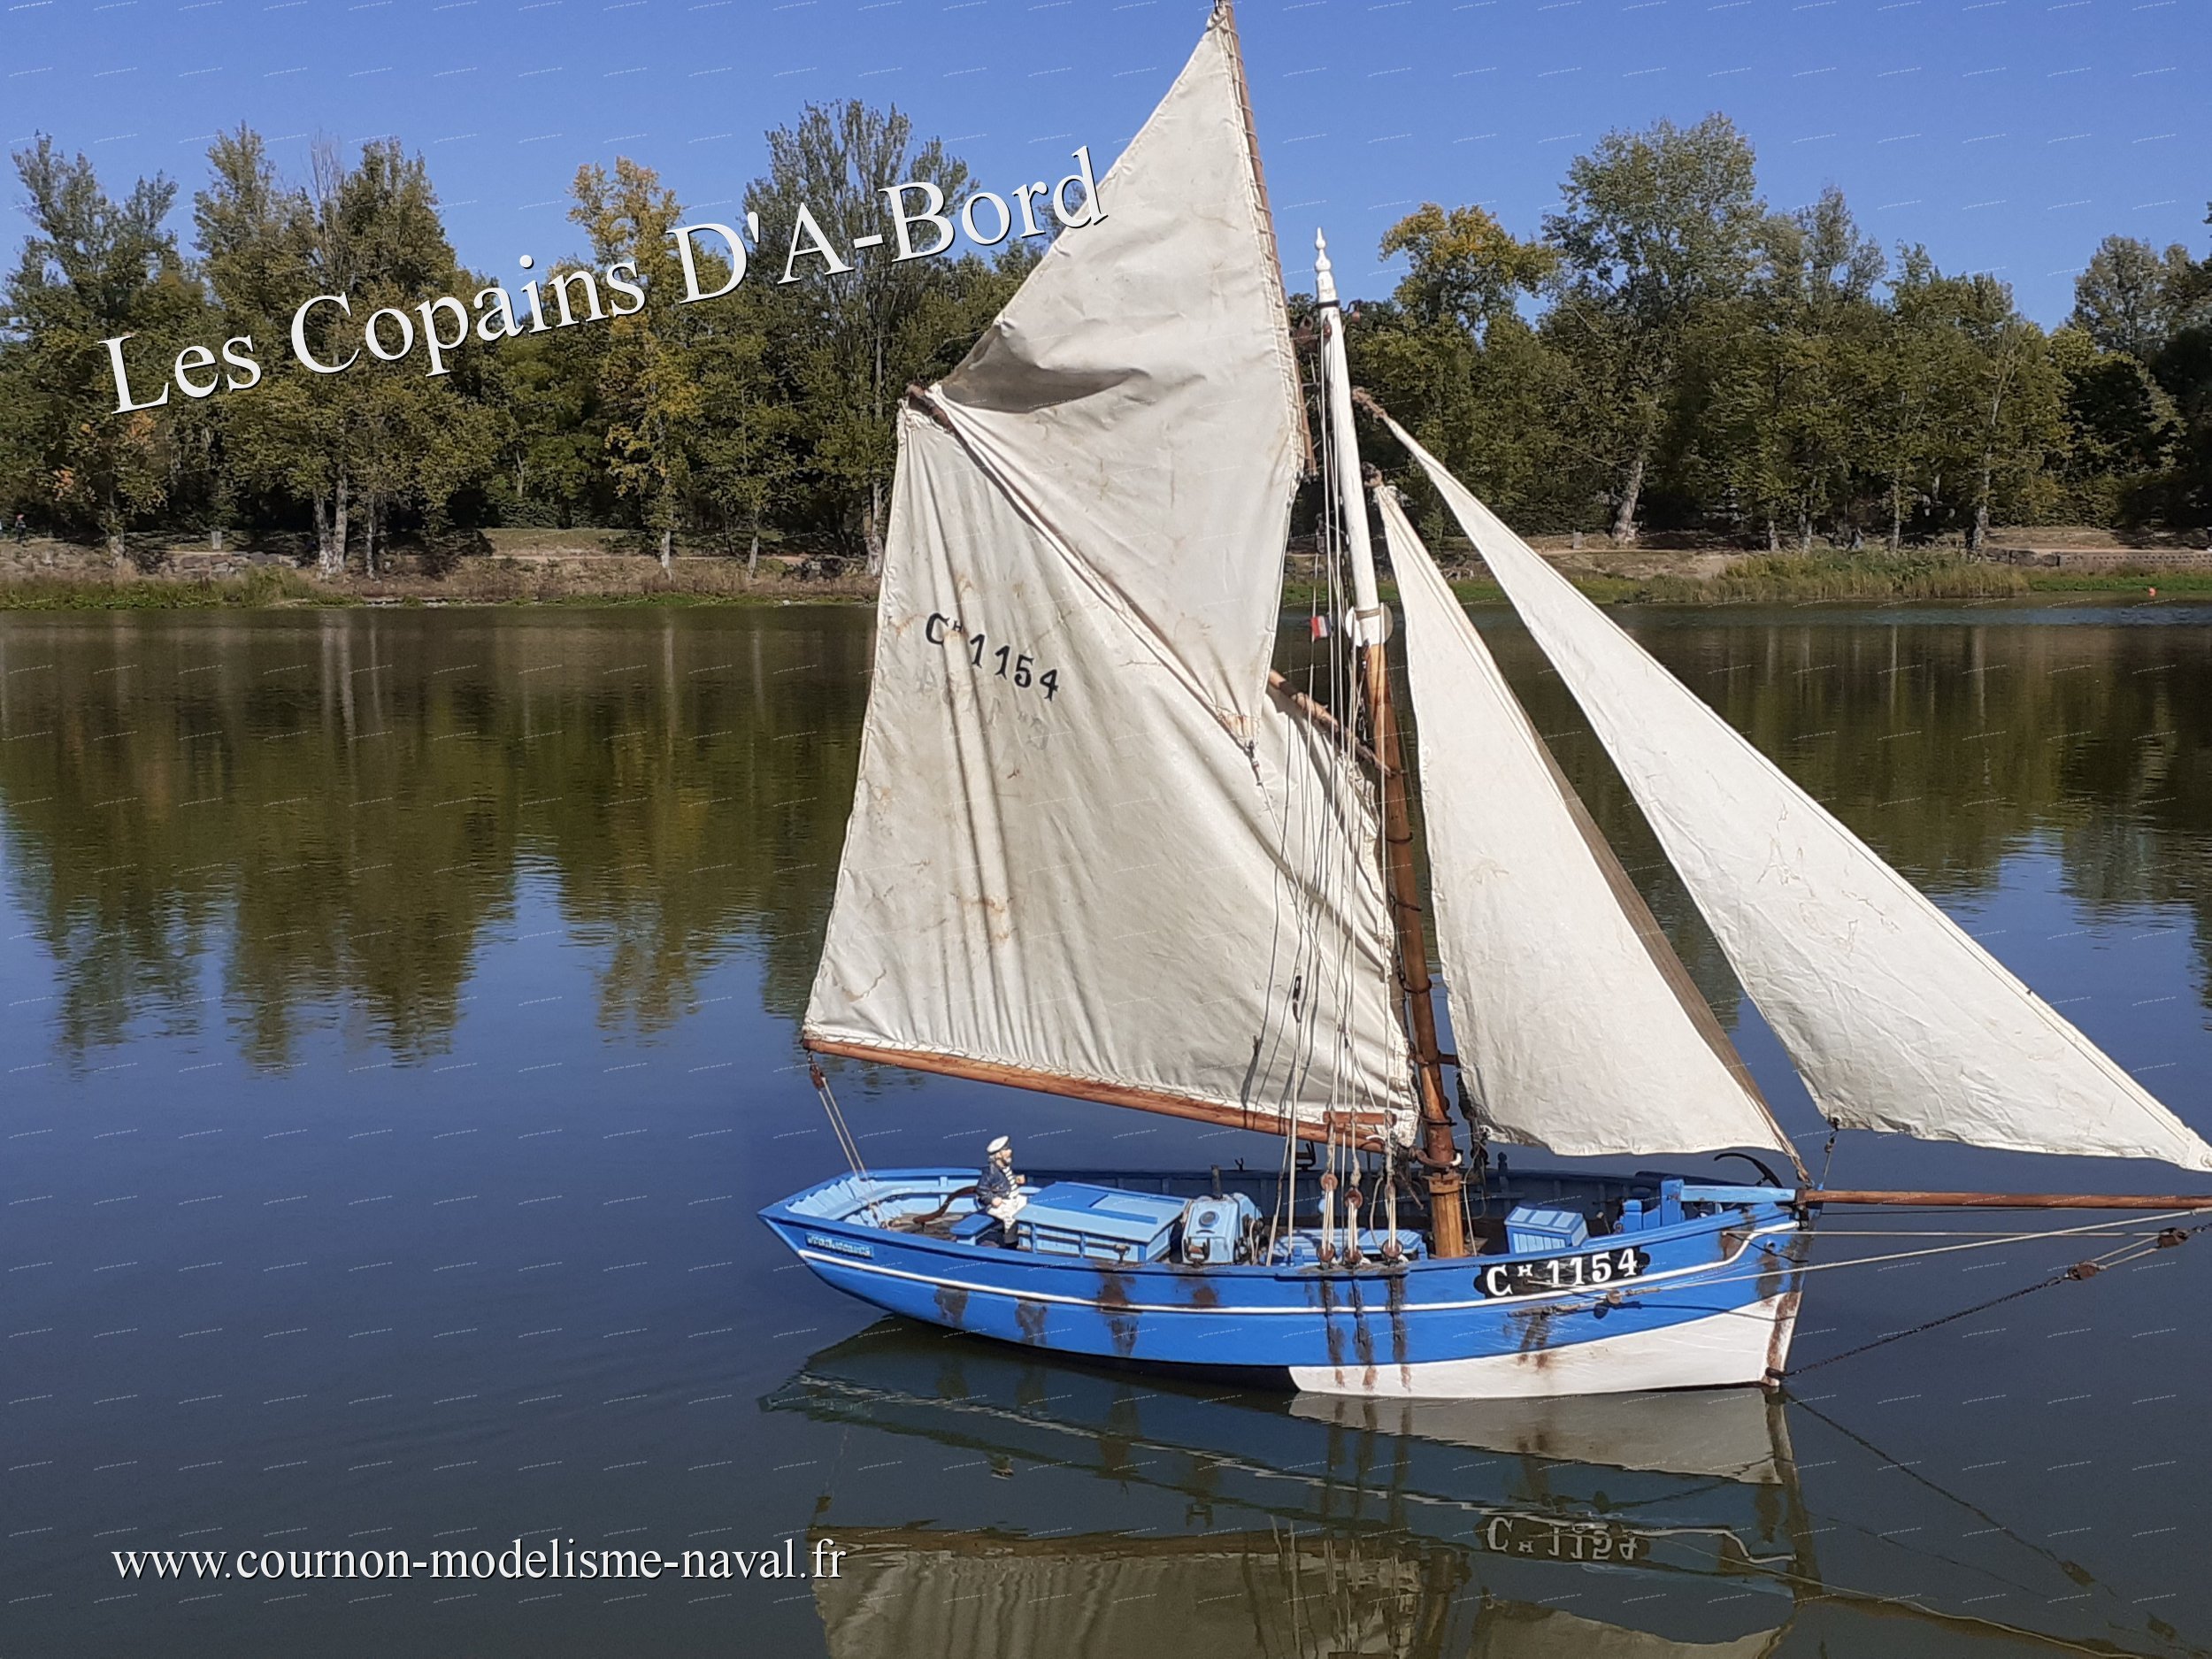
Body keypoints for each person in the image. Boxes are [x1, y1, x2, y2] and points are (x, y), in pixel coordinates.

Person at [975, 1135, 1026, 1242]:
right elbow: (981, 1189)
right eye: (1006, 1150)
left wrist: (1016, 1179)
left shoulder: (1005, 1167)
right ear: (998, 1155)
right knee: (1011, 1217)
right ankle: (1011, 1242)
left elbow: (1004, 1181)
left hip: (1012, 1198)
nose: (1010, 1151)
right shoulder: (991, 1172)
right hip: (1002, 1202)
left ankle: (1025, 1234)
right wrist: (992, 1199)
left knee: (1026, 1205)